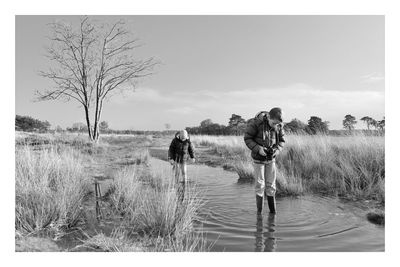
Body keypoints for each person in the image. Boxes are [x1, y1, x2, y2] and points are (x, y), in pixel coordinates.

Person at [244, 107, 285, 214]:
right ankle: (259, 214)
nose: (275, 126)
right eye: (274, 123)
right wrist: (258, 149)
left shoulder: (279, 125)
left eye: (278, 124)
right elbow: (247, 138)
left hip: (271, 160)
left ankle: (273, 214)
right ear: (269, 117)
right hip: (258, 160)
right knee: (260, 185)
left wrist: (278, 150)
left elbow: (282, 140)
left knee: (271, 186)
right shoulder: (256, 123)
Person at [168, 129, 195, 201]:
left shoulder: (188, 141)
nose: (183, 139)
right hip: (176, 160)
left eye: (184, 138)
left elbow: (190, 149)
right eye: (182, 138)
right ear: (179, 135)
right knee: (176, 173)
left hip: (184, 160)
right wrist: (170, 158)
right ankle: (175, 186)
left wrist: (192, 157)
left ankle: (185, 186)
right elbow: (170, 150)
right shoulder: (175, 140)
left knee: (184, 173)